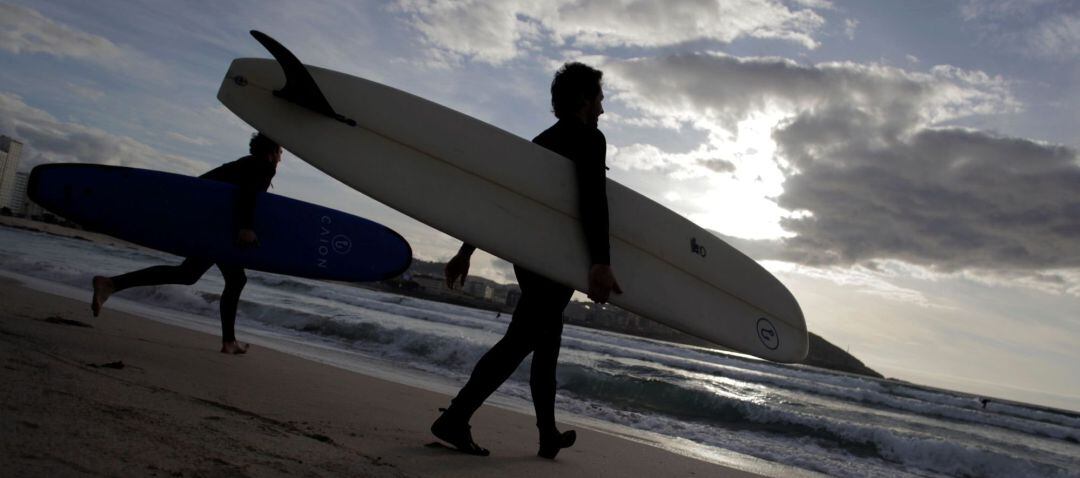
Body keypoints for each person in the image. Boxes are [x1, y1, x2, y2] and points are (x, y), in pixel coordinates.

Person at [430, 63, 621, 459]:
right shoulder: (590, 138)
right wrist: (600, 262)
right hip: (554, 258)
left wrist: (467, 250)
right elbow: (593, 200)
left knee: (547, 341)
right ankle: (456, 416)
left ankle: (546, 433)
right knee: (522, 341)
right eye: (600, 98)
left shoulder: (539, 143)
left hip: (530, 256)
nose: (603, 108)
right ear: (585, 100)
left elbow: (501, 203)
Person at [89, 133, 282, 355]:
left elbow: (204, 186)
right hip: (215, 229)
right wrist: (246, 228)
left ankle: (111, 284)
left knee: (190, 274)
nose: (281, 156)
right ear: (270, 153)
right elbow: (246, 196)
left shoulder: (242, 165)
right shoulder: (263, 167)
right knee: (232, 278)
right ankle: (229, 342)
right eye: (280, 151)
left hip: (207, 224)